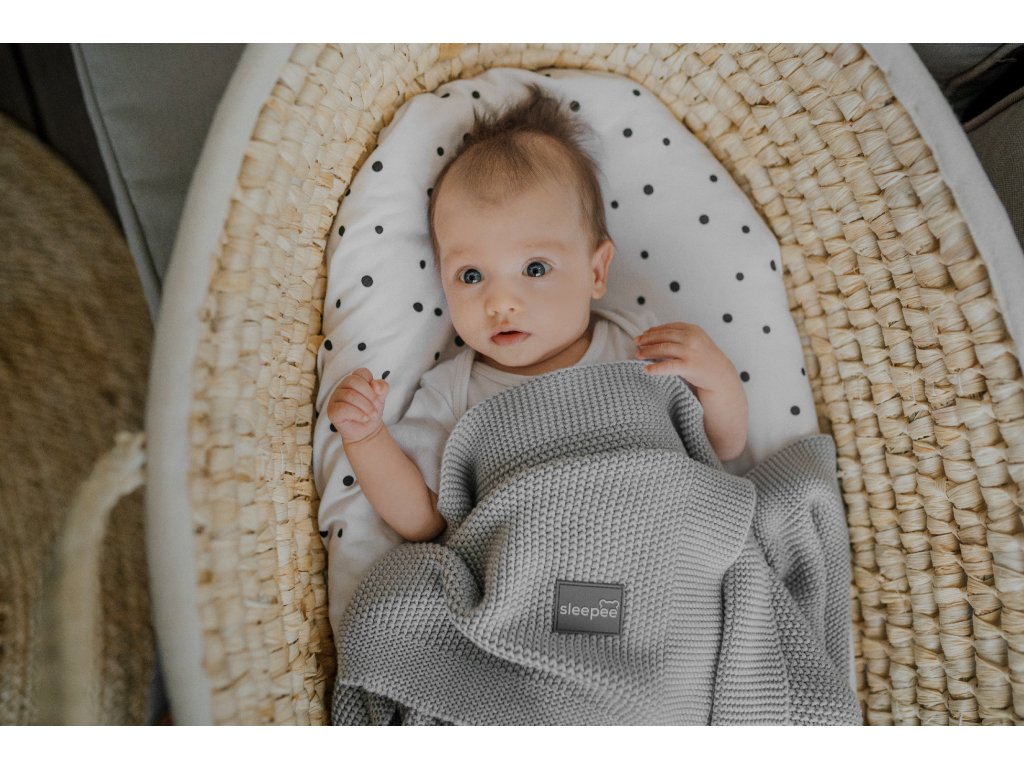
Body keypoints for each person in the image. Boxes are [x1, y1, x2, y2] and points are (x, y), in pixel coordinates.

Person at [327, 85, 748, 542]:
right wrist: (366, 439)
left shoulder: (641, 344)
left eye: (534, 268)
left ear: (596, 272)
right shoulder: (452, 393)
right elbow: (425, 522)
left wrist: (715, 376)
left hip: (669, 542)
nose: (501, 302)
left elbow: (723, 446)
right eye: (471, 275)